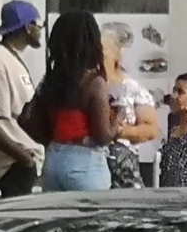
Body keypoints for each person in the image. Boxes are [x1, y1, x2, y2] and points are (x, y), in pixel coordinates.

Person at [21, 11, 116, 192]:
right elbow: (102, 136)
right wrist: (117, 122)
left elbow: (29, 120)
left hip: (53, 160)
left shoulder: (51, 80)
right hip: (85, 164)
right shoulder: (94, 82)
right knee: (91, 219)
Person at [0, 0, 45, 196]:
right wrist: (24, 158)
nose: (40, 31)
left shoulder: (11, 58)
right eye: (39, 26)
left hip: (22, 164)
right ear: (28, 28)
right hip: (9, 168)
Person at [100, 24, 162, 185]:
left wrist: (123, 131)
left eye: (102, 52)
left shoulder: (132, 89)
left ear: (116, 55)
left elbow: (151, 129)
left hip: (123, 167)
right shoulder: (86, 86)